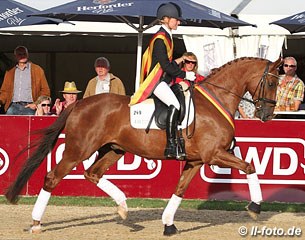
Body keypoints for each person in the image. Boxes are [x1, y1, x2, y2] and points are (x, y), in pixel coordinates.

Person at [52, 81, 128, 219]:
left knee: (91, 173)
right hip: (82, 141)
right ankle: (120, 198)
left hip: (91, 138)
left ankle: (120, 198)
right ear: (64, 95)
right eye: (69, 94)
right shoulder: (65, 108)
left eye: (74, 94)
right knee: (86, 172)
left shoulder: (84, 107)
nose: (72, 97)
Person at [129, 2, 196, 160]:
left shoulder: (167, 36)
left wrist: (181, 62)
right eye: (176, 19)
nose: (178, 22)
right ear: (166, 19)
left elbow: (168, 63)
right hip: (157, 82)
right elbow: (165, 66)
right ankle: (170, 145)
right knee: (175, 104)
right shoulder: (160, 39)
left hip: (165, 81)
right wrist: (185, 75)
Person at [0, 46, 50, 115]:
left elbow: (45, 90)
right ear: (15, 56)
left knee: (31, 125)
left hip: (30, 106)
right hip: (13, 106)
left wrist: (36, 104)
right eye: (19, 54)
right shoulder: (10, 72)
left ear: (27, 55)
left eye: (24, 54)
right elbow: (4, 91)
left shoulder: (37, 70)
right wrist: (0, 101)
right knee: (8, 124)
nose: (22, 56)